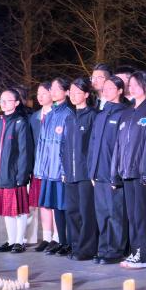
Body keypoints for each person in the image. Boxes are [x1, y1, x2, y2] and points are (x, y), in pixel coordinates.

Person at [112, 70, 146, 268]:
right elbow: (118, 145)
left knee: (141, 214)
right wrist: (115, 172)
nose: (133, 88)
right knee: (131, 215)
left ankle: (144, 255)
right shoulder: (127, 113)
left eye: (137, 85)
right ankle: (135, 251)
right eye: (131, 85)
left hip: (141, 172)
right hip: (126, 171)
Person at [0, 88, 33, 253]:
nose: (3, 103)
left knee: (19, 209)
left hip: (15, 175)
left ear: (17, 103)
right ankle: (11, 240)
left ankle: (20, 241)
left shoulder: (20, 123)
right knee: (7, 209)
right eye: (1, 100)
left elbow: (25, 152)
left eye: (8, 100)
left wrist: (22, 175)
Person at [87, 75, 128, 264]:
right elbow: (93, 143)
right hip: (99, 173)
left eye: (111, 88)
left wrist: (117, 174)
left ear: (120, 90)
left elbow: (123, 147)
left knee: (115, 214)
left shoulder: (124, 113)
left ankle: (115, 250)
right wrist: (91, 170)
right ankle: (103, 248)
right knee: (102, 213)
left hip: (113, 174)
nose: (106, 91)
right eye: (105, 88)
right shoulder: (101, 114)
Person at [60, 77, 98, 260]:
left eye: (78, 92)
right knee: (72, 211)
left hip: (85, 174)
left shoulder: (92, 116)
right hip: (70, 174)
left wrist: (92, 171)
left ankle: (87, 249)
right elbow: (64, 145)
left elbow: (94, 146)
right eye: (72, 92)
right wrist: (64, 170)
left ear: (86, 94)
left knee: (86, 212)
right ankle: (75, 246)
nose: (74, 96)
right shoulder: (69, 118)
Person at [34, 78, 71, 255]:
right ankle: (57, 240)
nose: (53, 92)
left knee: (64, 205)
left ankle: (66, 240)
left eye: (57, 89)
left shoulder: (69, 113)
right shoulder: (49, 115)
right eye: (52, 89)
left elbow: (68, 146)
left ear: (66, 92)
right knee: (54, 205)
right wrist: (40, 169)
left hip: (60, 170)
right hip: (49, 170)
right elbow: (41, 144)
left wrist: (64, 170)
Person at [29, 82, 56, 251]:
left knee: (55, 202)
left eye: (44, 93)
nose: (40, 97)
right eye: (38, 94)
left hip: (55, 167)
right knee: (43, 202)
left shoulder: (60, 114)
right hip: (39, 166)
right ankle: (46, 237)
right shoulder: (34, 117)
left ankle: (57, 237)